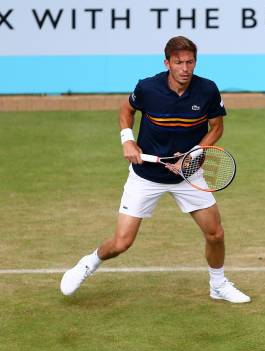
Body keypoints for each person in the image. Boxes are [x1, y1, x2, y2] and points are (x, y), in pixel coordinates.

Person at [61, 36, 250, 303]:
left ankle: (218, 285)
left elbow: (216, 127)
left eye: (190, 62)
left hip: (188, 175)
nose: (185, 68)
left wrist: (193, 155)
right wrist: (127, 139)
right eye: (179, 62)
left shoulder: (207, 90)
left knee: (215, 233)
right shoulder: (148, 88)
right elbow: (126, 110)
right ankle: (88, 263)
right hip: (146, 175)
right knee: (121, 243)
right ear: (167, 63)